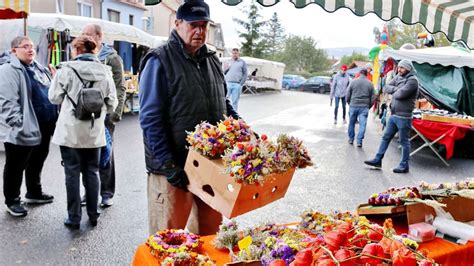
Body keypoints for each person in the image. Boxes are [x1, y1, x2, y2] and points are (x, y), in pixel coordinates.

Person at [138, 0, 239, 235]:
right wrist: (168, 164)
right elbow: (150, 119)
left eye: (204, 26)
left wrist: (241, 128)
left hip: (209, 166)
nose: (199, 31)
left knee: (209, 235)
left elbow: (223, 104)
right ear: (178, 24)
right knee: (167, 239)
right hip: (173, 169)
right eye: (194, 25)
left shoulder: (212, 59)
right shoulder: (159, 59)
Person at [48, 36, 117, 229]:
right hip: (94, 132)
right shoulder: (105, 72)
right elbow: (112, 104)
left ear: (77, 50)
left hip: (70, 133)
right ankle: (93, 216)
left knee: (71, 174)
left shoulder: (65, 70)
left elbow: (53, 98)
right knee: (92, 172)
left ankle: (74, 217)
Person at [0, 36, 56, 217]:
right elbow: (7, 101)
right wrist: (18, 124)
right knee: (15, 165)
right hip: (22, 127)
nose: (31, 49)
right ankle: (12, 200)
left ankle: (34, 192)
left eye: (32, 46)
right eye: (25, 47)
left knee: (37, 160)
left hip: (43, 125)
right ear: (14, 51)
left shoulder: (38, 67)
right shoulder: (9, 70)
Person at [82, 24, 126, 208]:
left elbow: (120, 87)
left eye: (88, 34)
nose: (85, 37)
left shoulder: (112, 58)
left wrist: (114, 115)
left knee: (106, 153)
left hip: (105, 115)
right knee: (86, 154)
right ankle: (90, 190)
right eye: (83, 34)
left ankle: (106, 192)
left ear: (99, 37)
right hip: (85, 115)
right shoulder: (82, 56)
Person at [364, 59, 418, 174]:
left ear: (408, 68)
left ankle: (404, 165)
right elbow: (385, 87)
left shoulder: (413, 81)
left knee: (404, 141)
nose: (399, 70)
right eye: (399, 67)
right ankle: (378, 160)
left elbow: (400, 95)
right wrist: (396, 89)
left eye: (402, 68)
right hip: (394, 114)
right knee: (385, 137)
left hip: (404, 116)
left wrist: (395, 90)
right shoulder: (398, 76)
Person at [346, 69, 375, 147]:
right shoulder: (370, 83)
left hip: (353, 105)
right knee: (363, 124)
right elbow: (373, 98)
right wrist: (369, 106)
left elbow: (348, 94)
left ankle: (351, 139)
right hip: (364, 107)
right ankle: (359, 141)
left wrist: (349, 102)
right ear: (366, 74)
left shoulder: (353, 82)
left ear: (359, 74)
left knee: (351, 123)